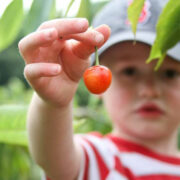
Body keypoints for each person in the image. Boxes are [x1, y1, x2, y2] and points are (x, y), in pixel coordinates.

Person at [18, 0, 180, 179]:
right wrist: (53, 105)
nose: (150, 91)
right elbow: (52, 157)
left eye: (170, 74)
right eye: (129, 71)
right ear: (102, 89)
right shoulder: (98, 160)